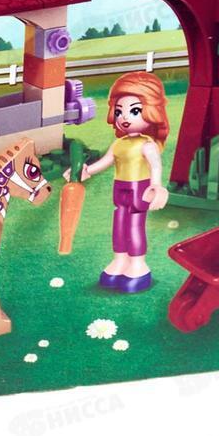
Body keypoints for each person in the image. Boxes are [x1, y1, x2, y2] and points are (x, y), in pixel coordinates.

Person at [67, 71, 170, 293]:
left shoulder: (147, 145)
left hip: (139, 190)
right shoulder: (119, 144)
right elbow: (105, 162)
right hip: (120, 190)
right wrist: (86, 171)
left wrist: (156, 185)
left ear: (151, 111)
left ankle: (138, 264)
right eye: (119, 111)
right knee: (119, 225)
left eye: (134, 111)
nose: (124, 117)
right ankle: (120, 260)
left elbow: (155, 166)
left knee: (134, 226)